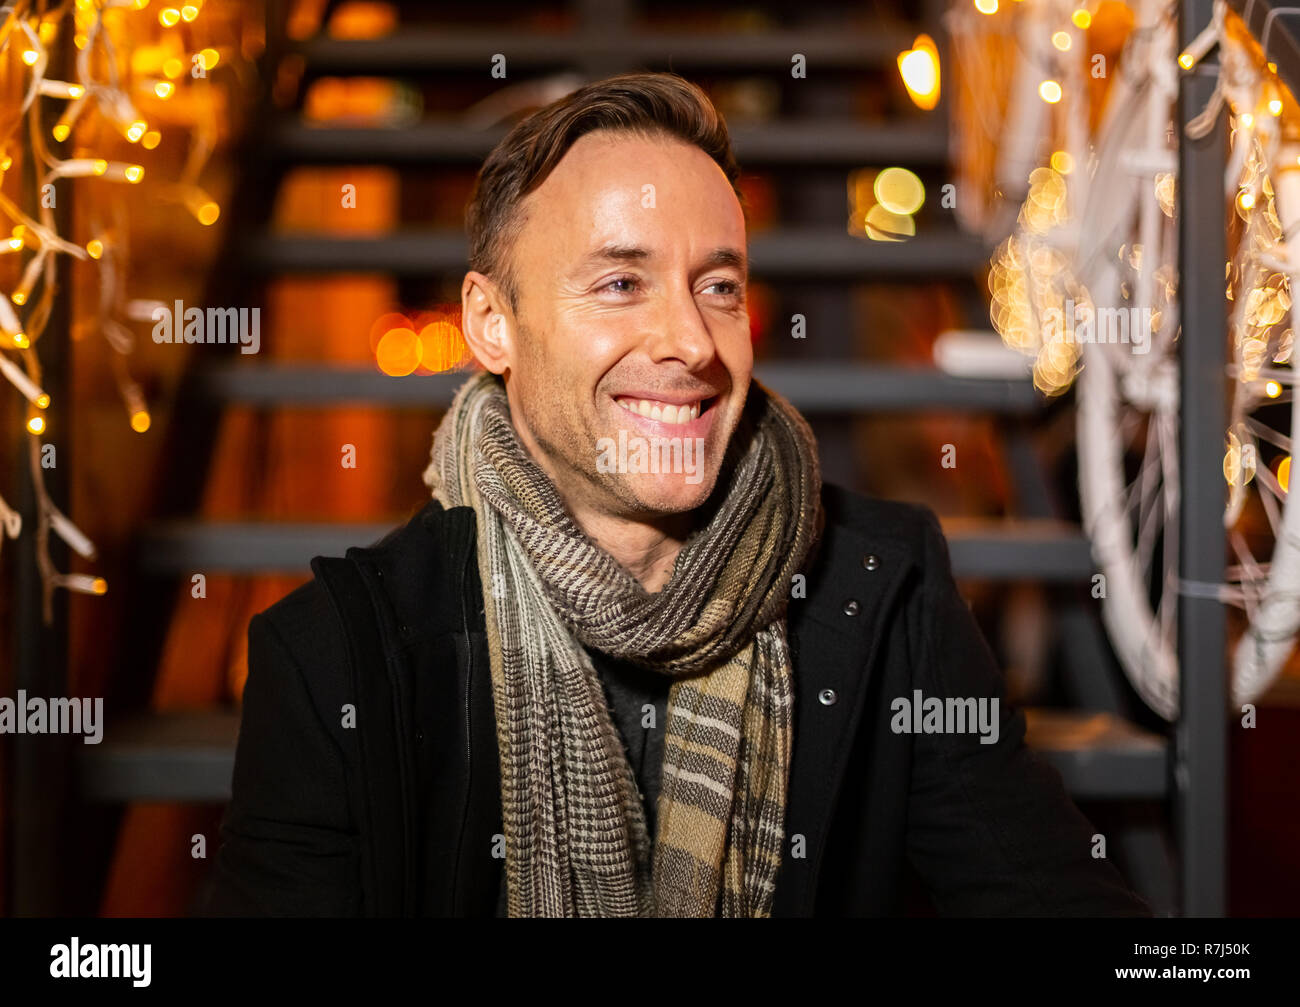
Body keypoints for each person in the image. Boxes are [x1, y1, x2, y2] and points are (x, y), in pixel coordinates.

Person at [203, 72, 1151, 918]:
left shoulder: (883, 588)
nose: (692, 343)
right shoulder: (340, 653)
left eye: (719, 286)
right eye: (621, 282)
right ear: (492, 326)